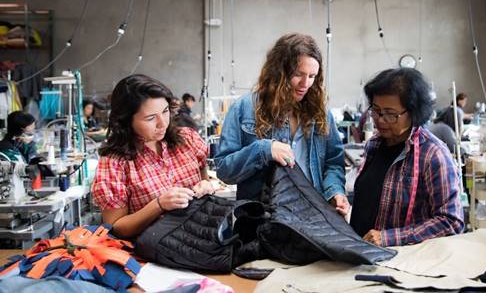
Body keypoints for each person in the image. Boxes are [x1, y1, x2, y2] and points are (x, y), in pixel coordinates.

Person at [215, 33, 349, 216]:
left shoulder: (320, 112)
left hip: (312, 217)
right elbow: (224, 170)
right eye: (298, 74)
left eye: (312, 76)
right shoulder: (244, 109)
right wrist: (263, 150)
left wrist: (335, 192)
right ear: (278, 71)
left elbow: (333, 162)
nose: (305, 83)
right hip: (261, 221)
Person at [350, 68, 464, 247]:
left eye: (390, 114)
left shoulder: (433, 155)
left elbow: (451, 221)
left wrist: (388, 238)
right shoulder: (375, 144)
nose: (380, 120)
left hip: (401, 263)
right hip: (362, 251)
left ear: (413, 112)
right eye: (376, 110)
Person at [91, 74, 214, 238]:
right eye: (150, 118)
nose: (162, 123)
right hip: (153, 253)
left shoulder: (187, 139)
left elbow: (204, 178)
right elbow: (116, 227)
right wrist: (158, 205)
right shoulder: (115, 162)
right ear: (127, 121)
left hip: (201, 240)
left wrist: (206, 185)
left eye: (165, 112)